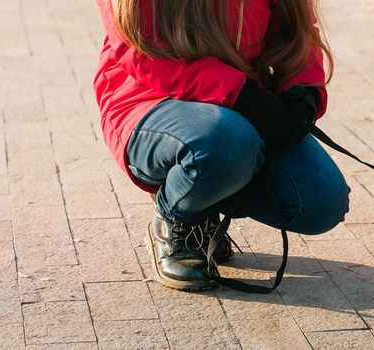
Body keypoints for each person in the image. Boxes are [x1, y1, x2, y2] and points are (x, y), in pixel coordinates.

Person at [93, 0, 350, 291]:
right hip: (149, 98)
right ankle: (177, 220)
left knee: (320, 200)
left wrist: (303, 90)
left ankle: (205, 194)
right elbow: (139, 50)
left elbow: (296, 31)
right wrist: (240, 95)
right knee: (228, 141)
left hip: (243, 100)